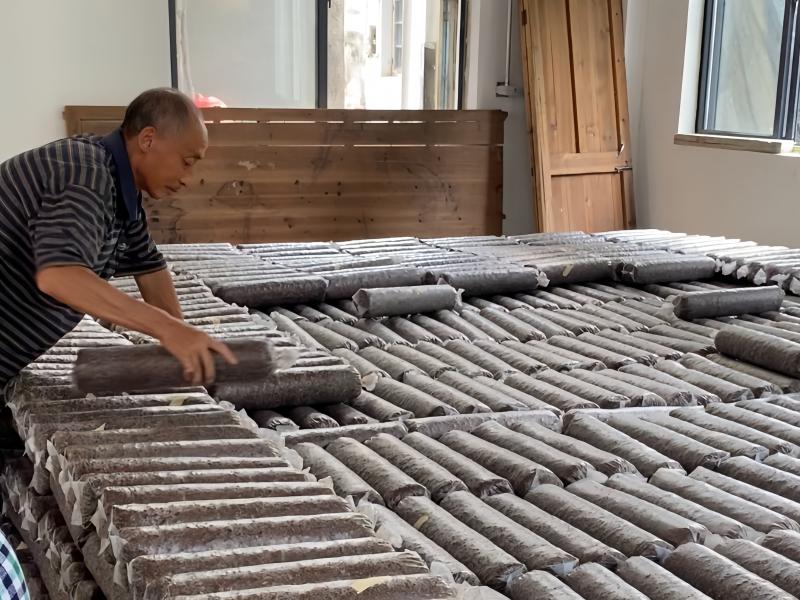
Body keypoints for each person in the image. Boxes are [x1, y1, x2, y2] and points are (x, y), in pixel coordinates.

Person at [0, 87, 237, 397]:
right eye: (187, 161)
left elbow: (149, 267)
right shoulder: (85, 173)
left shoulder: (120, 190)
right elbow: (60, 276)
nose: (187, 178)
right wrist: (168, 329)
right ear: (148, 139)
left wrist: (188, 345)